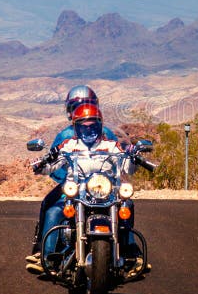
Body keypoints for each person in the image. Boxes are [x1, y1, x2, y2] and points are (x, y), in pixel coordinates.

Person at [26, 101, 147, 276]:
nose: (88, 130)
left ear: (100, 126)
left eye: (93, 126)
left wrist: (134, 158)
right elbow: (51, 165)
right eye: (84, 127)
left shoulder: (111, 146)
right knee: (53, 212)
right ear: (76, 128)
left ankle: (131, 256)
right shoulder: (68, 145)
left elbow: (125, 166)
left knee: (127, 206)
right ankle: (46, 259)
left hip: (105, 194)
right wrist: (42, 163)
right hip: (76, 196)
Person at [26, 85, 117, 263]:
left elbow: (119, 156)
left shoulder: (105, 133)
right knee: (51, 208)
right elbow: (54, 161)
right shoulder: (68, 136)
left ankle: (129, 250)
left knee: (125, 206)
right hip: (76, 186)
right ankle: (44, 253)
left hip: (100, 187)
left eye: (86, 104)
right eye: (76, 106)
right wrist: (51, 171)